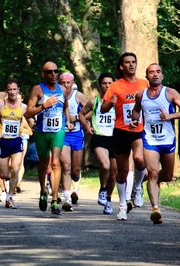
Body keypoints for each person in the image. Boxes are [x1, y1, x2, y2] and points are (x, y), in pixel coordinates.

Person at [131, 63, 180, 224]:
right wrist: (134, 120)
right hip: (150, 140)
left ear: (162, 75)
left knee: (168, 176)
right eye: (151, 72)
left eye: (158, 72)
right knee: (154, 173)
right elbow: (136, 111)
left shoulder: (170, 93)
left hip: (168, 140)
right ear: (147, 76)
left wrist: (171, 116)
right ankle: (155, 209)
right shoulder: (141, 95)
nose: (155, 74)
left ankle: (141, 181)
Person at [101, 52, 148, 221]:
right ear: (121, 66)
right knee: (121, 172)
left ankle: (137, 188)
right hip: (121, 130)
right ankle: (122, 206)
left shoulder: (144, 84)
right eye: (127, 62)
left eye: (133, 62)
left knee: (139, 159)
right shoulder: (115, 86)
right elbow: (103, 109)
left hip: (139, 129)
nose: (131, 65)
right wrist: (110, 103)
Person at [25, 61, 73, 215]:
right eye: (49, 72)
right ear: (43, 74)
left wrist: (68, 121)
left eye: (55, 71)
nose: (53, 74)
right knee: (44, 164)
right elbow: (28, 113)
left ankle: (54, 200)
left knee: (55, 162)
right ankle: (42, 191)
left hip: (58, 131)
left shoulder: (63, 89)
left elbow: (65, 105)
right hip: (41, 131)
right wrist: (43, 106)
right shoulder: (37, 90)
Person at [0, 78, 27, 209]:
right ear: (6, 91)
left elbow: (30, 118)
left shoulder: (23, 107)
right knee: (3, 174)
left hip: (16, 141)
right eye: (9, 89)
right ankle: (9, 184)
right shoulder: (0, 105)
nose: (12, 92)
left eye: (14, 89)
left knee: (16, 169)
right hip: (3, 142)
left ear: (18, 90)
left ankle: (10, 198)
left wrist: (32, 124)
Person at [79, 73, 117, 214]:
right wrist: (87, 127)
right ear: (99, 85)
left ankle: (108, 199)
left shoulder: (117, 101)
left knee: (114, 173)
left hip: (115, 138)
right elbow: (81, 114)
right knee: (105, 165)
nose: (107, 86)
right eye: (104, 83)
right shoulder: (93, 102)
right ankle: (102, 188)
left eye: (109, 83)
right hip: (99, 137)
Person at [59, 72, 88, 212]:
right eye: (63, 83)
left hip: (77, 135)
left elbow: (90, 111)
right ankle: (67, 199)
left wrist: (76, 117)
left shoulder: (78, 96)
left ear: (72, 83)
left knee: (75, 171)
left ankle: (75, 185)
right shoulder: (56, 96)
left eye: (68, 83)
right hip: (62, 135)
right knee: (66, 166)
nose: (65, 86)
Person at [16, 92, 33, 193]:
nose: (16, 99)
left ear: (22, 99)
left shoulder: (26, 108)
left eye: (19, 98)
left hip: (23, 137)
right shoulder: (7, 106)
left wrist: (29, 125)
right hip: (10, 137)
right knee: (12, 163)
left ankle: (18, 182)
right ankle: (11, 181)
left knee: (20, 161)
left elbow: (31, 121)